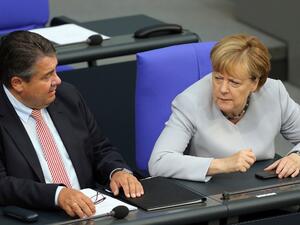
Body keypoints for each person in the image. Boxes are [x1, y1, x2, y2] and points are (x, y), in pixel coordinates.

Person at [0, 31, 143, 218]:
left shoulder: (67, 96)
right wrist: (57, 195)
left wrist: (117, 171)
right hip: (38, 216)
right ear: (18, 83)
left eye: (56, 70)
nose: (57, 81)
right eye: (47, 76)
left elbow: (100, 148)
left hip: (94, 211)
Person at [148, 34, 300, 182]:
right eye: (218, 78)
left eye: (234, 82)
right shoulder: (190, 101)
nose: (223, 89)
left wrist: (297, 156)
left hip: (264, 182)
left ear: (255, 83)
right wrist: (221, 164)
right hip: (213, 187)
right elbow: (159, 162)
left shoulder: (274, 92)